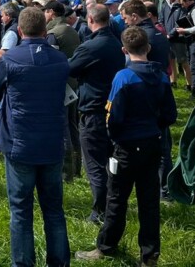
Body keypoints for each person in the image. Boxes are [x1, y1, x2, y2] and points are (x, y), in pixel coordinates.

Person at [76, 26, 177, 266]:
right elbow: (170, 114)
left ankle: (106, 246)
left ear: (124, 50)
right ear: (148, 48)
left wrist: (116, 137)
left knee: (117, 199)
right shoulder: (162, 76)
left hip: (126, 148)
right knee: (149, 202)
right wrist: (154, 125)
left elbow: (113, 116)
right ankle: (149, 254)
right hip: (152, 144)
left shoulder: (123, 77)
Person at [0, 7, 71, 267]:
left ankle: (23, 263)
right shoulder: (61, 60)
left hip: (20, 142)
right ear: (44, 29)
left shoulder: (10, 59)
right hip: (51, 141)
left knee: (20, 211)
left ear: (20, 30)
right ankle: (59, 262)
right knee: (54, 210)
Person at [68, 4, 125, 225]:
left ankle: (99, 211)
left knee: (94, 164)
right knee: (112, 161)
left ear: (90, 20)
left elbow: (70, 69)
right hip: (114, 108)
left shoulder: (90, 47)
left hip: (93, 109)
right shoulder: (115, 43)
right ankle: (114, 203)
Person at [174, 0, 195, 98]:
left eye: (183, 4)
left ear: (187, 1)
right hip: (192, 42)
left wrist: (185, 30)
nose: (182, 6)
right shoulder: (191, 10)